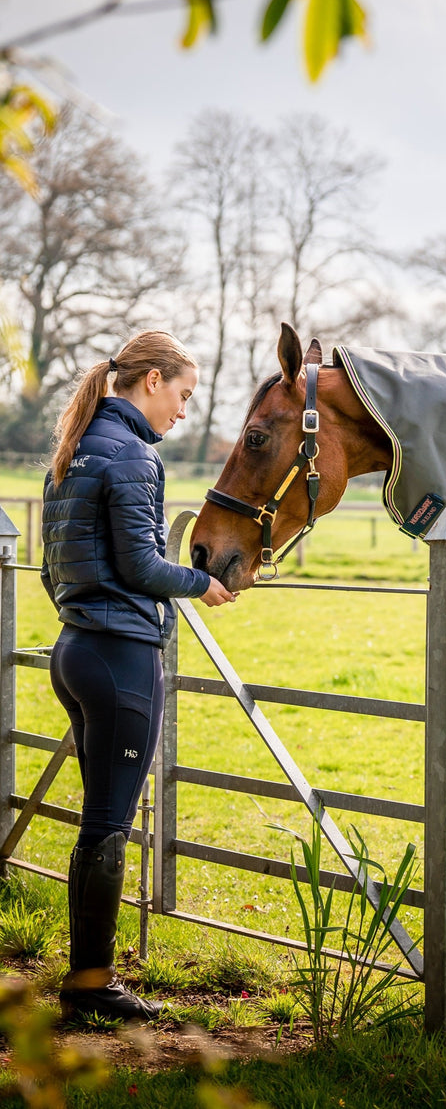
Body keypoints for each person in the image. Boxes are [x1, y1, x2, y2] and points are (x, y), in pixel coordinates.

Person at [41, 331, 237, 1021]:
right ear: (151, 380)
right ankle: (90, 991)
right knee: (107, 827)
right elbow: (141, 568)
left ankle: (87, 983)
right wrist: (201, 582)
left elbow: (52, 570)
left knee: (99, 823)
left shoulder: (77, 444)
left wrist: (85, 618)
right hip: (120, 658)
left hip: (75, 650)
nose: (182, 413)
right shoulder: (131, 455)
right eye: (182, 395)